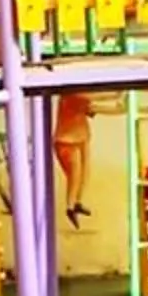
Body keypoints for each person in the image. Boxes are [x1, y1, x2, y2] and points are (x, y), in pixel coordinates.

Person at [52, 92, 94, 228]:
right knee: (74, 174)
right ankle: (70, 205)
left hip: (80, 138)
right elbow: (96, 102)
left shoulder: (78, 97)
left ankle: (77, 202)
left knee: (84, 171)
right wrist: (117, 95)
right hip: (67, 141)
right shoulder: (71, 97)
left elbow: (91, 109)